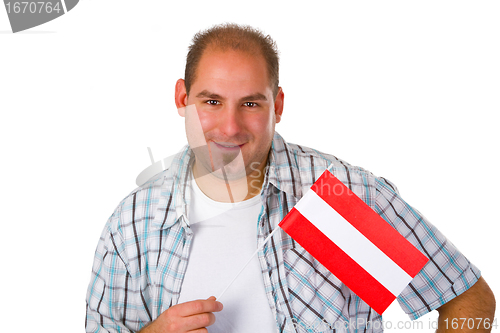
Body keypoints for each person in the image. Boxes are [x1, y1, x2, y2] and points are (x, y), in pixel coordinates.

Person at [85, 23, 495, 333]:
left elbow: (466, 298)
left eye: (250, 103)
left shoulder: (338, 196)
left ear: (277, 105)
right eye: (211, 101)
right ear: (182, 99)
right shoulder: (134, 225)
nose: (230, 127)